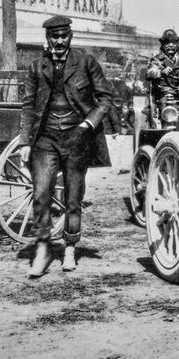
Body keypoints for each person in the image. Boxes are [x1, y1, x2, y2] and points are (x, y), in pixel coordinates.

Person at [18, 15, 113, 276]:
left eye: (63, 36)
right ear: (47, 39)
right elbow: (28, 106)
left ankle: (70, 247)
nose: (59, 41)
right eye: (54, 37)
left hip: (76, 138)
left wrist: (87, 125)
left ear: (70, 36)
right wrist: (25, 141)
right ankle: (42, 249)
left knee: (73, 197)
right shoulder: (37, 67)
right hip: (45, 139)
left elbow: (105, 99)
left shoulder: (85, 62)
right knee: (41, 195)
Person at [146, 29, 179, 104]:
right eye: (167, 43)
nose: (171, 45)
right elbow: (149, 73)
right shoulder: (156, 59)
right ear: (162, 44)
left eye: (174, 42)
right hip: (164, 93)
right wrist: (161, 72)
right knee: (167, 103)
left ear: (177, 44)